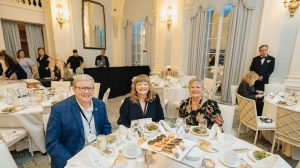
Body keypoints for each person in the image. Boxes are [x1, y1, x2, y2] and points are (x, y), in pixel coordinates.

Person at [46, 74, 112, 168]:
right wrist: (72, 163)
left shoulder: (100, 104)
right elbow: (52, 143)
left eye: (90, 88)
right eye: (82, 88)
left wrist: (106, 143)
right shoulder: (59, 109)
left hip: (97, 152)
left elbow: (106, 126)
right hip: (73, 156)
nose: (87, 92)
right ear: (74, 89)